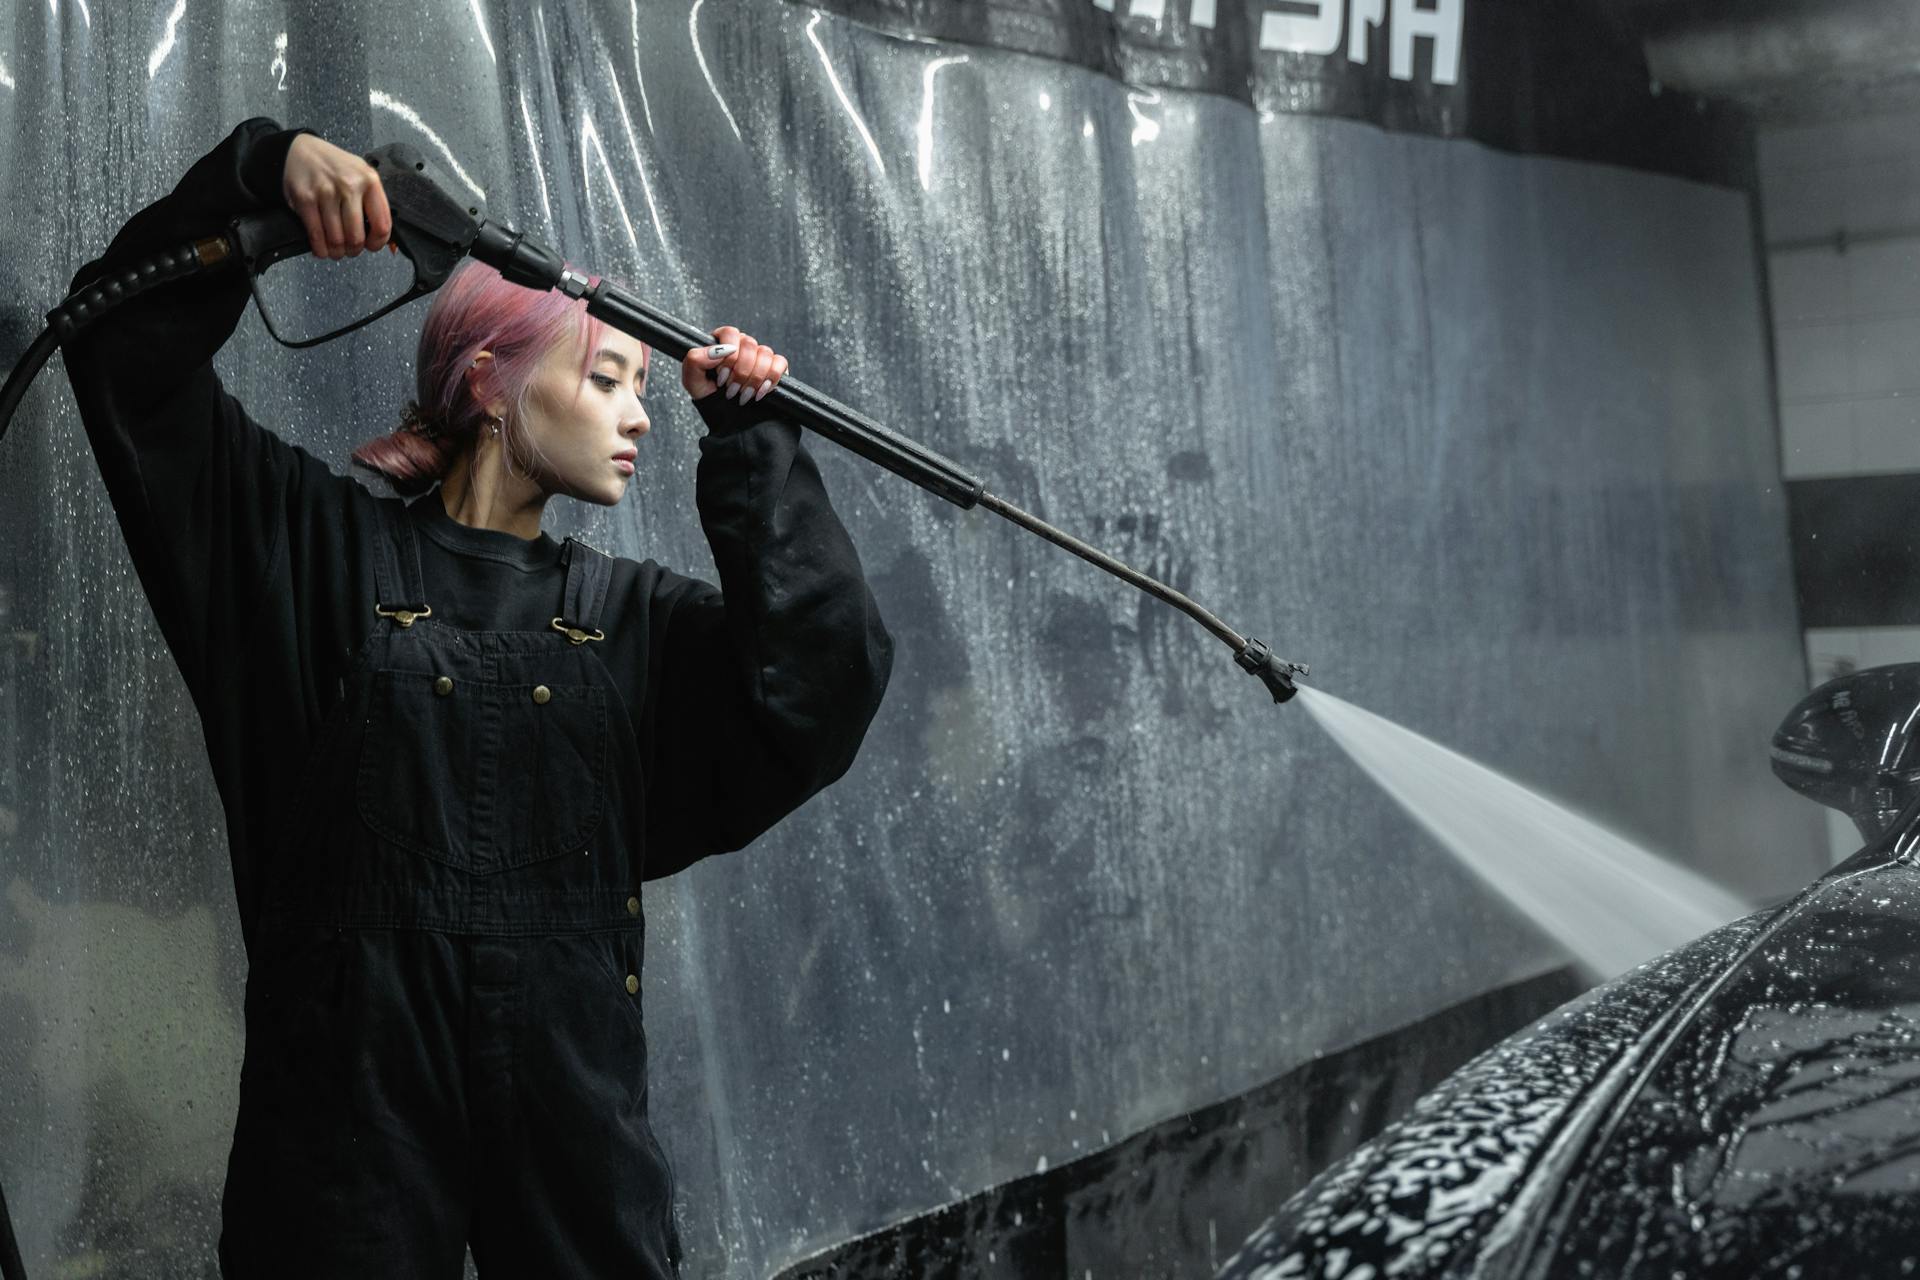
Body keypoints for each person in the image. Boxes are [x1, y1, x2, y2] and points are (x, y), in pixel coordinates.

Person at [59, 116, 894, 1278]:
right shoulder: (300, 558)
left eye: (646, 387)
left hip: (579, 1138)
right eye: (608, 376)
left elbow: (824, 683)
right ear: (492, 380)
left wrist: (755, 446)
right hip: (341, 1147)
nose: (642, 413)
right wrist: (264, 173)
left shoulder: (638, 626)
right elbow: (120, 351)